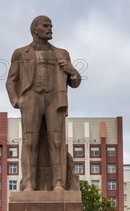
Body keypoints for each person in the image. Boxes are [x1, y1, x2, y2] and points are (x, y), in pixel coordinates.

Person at [6, 15, 81, 191]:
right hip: (31, 97)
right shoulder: (20, 53)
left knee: (57, 141)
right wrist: (16, 101)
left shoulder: (61, 53)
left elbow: (75, 83)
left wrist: (71, 71)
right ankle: (29, 183)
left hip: (55, 99)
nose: (50, 29)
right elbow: (11, 80)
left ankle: (59, 183)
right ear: (35, 30)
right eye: (46, 26)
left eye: (51, 26)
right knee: (29, 141)